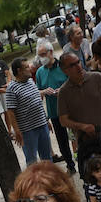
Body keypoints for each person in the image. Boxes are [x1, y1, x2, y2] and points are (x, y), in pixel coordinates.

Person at [57, 52, 101, 170]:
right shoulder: (64, 92)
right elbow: (63, 120)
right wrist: (82, 126)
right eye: (72, 65)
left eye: (78, 62)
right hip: (86, 141)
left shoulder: (98, 78)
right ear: (64, 70)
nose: (78, 66)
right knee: (92, 178)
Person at [4, 57, 55, 165]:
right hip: (28, 131)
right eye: (26, 67)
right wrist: (17, 131)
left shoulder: (31, 81)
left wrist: (46, 120)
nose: (30, 69)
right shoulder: (11, 89)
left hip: (42, 126)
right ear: (19, 71)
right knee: (32, 161)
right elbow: (10, 112)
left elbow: (37, 102)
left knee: (47, 158)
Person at [34, 40, 76, 171]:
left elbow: (74, 82)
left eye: (43, 54)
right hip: (54, 111)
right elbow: (38, 92)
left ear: (51, 52)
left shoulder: (63, 66)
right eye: (39, 55)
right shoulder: (40, 72)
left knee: (76, 136)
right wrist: (44, 91)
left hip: (71, 109)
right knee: (62, 141)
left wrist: (62, 90)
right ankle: (70, 165)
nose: (41, 58)